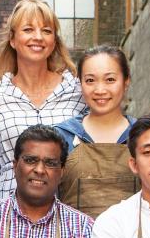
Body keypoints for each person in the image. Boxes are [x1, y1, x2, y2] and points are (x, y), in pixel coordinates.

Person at [0, 0, 85, 199]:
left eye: (46, 31)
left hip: (65, 208)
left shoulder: (77, 92)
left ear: (54, 41)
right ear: (12, 39)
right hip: (8, 211)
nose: (38, 37)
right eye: (28, 29)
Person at [56, 45, 137, 219]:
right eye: (90, 80)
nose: (100, 90)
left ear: (126, 81)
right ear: (80, 84)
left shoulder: (143, 136)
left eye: (110, 80)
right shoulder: (62, 136)